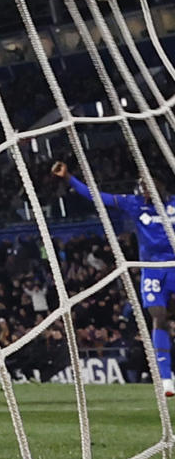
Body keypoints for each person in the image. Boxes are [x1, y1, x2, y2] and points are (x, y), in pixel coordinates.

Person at [53, 159, 175, 394]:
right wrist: (69, 178)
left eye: (148, 184)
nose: (144, 188)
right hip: (150, 269)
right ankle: (166, 378)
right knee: (158, 316)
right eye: (142, 184)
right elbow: (98, 197)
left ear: (160, 184)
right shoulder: (135, 204)